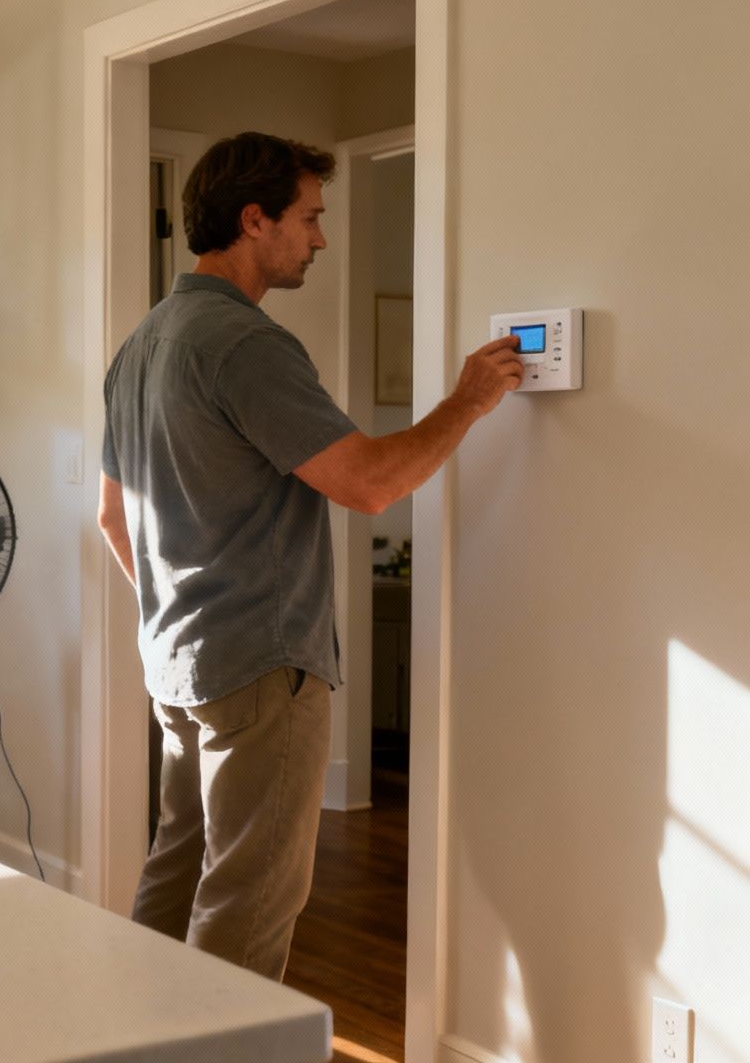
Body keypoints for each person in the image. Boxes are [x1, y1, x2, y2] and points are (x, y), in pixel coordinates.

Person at [97, 131, 522, 980]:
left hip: (175, 660)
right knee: (248, 899)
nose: (320, 239)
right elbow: (367, 485)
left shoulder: (142, 344)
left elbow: (111, 519)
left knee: (177, 875)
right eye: (309, 218)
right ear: (255, 221)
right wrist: (467, 402)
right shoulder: (245, 344)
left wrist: (178, 613)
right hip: (260, 663)